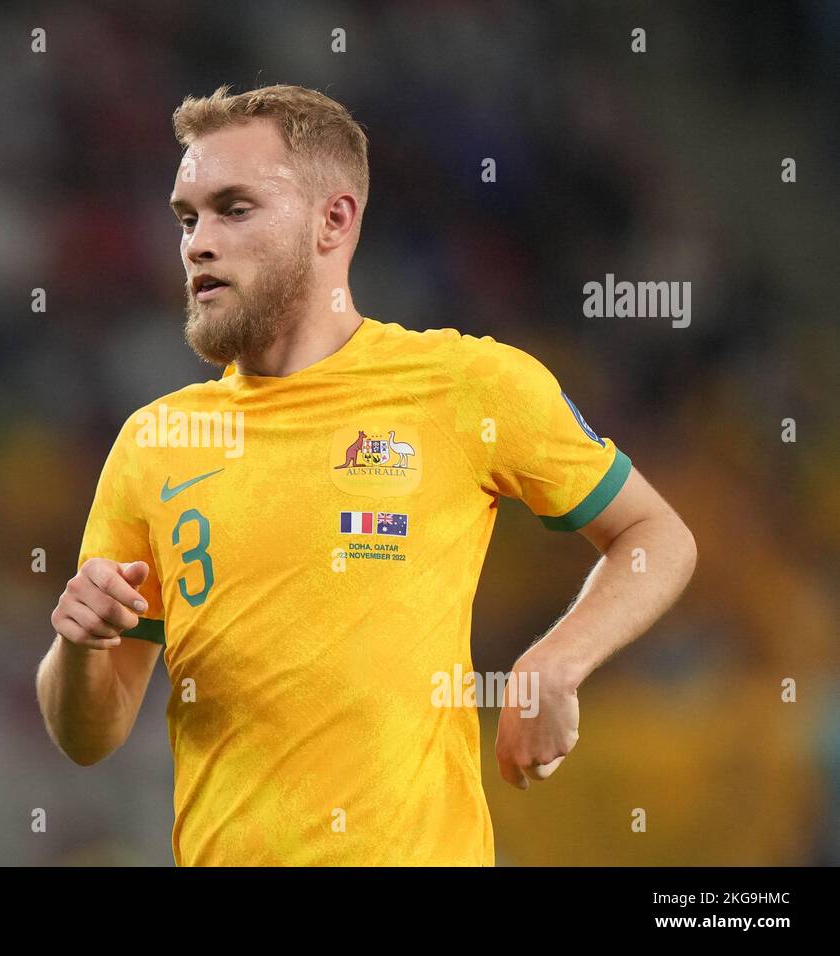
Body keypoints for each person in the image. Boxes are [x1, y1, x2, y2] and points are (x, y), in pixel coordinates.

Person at [35, 83, 697, 865]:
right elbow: (92, 734)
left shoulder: (467, 385)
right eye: (188, 218)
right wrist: (78, 646)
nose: (196, 244)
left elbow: (658, 534)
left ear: (334, 219)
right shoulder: (157, 440)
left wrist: (557, 660)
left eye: (234, 209)